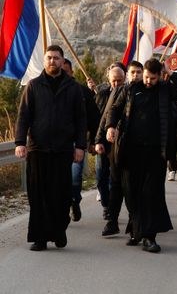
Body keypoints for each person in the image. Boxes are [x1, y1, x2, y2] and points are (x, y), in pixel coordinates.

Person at [106, 58, 177, 253]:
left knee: (151, 194)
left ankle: (148, 237)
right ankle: (136, 230)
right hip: (131, 151)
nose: (148, 81)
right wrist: (111, 126)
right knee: (131, 192)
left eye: (152, 78)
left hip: (156, 152)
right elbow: (115, 109)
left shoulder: (164, 88)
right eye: (146, 77)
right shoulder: (130, 89)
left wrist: (171, 74)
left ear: (159, 76)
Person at [14, 45, 87, 251]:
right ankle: (40, 237)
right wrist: (20, 142)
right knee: (38, 195)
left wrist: (80, 146)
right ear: (44, 61)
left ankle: (59, 232)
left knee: (61, 195)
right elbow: (23, 116)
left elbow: (81, 120)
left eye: (56, 58)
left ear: (63, 62)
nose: (52, 61)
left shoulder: (73, 87)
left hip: (63, 150)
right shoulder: (34, 86)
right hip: (38, 149)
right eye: (49, 58)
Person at [96, 61, 142, 237]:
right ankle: (112, 221)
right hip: (118, 146)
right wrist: (100, 139)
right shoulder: (119, 92)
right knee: (115, 185)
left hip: (138, 148)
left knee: (131, 187)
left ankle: (134, 223)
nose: (135, 76)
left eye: (139, 72)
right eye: (133, 72)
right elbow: (108, 116)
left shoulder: (147, 91)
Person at [62, 58, 99, 224]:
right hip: (55, 144)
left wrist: (92, 141)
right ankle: (63, 208)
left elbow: (93, 118)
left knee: (75, 177)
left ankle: (74, 200)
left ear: (71, 72)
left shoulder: (82, 91)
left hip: (77, 143)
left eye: (65, 71)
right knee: (58, 179)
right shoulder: (48, 91)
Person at [93, 64, 126, 223]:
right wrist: (95, 141)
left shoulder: (127, 94)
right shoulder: (101, 94)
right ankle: (106, 204)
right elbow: (95, 120)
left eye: (120, 81)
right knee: (101, 177)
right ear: (108, 80)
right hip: (102, 144)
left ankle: (111, 210)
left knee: (115, 180)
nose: (116, 84)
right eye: (114, 81)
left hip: (120, 145)